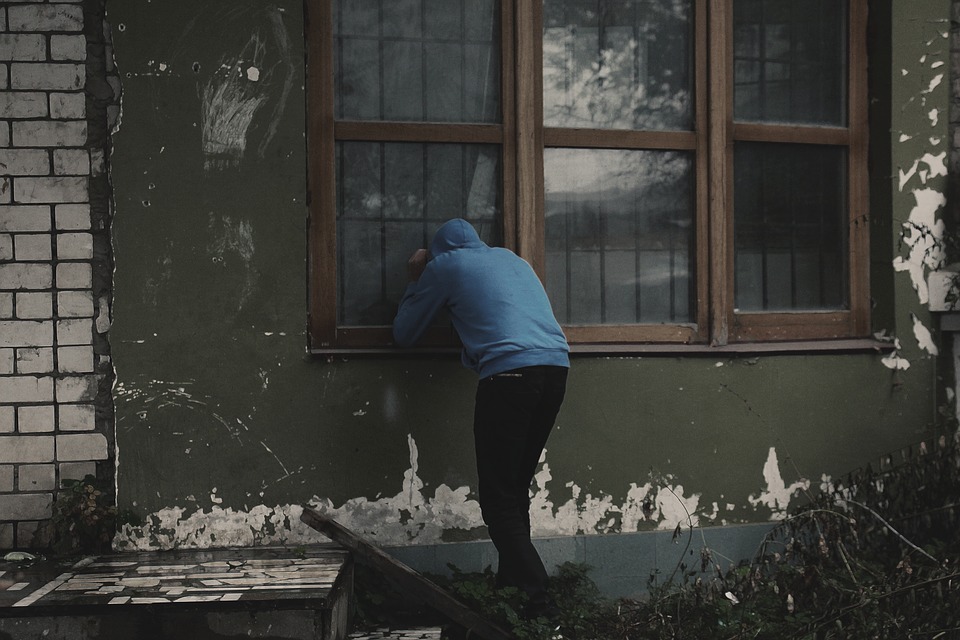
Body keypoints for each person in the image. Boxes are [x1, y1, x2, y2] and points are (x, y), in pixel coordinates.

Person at [393, 218, 570, 621]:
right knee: (515, 489)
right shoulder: (513, 260)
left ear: (439, 252)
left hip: (509, 376)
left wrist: (415, 279)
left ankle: (541, 604)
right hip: (556, 369)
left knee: (497, 500)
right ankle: (511, 592)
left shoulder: (445, 265)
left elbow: (404, 333)